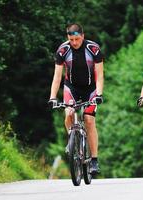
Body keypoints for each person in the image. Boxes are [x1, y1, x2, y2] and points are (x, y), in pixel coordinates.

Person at [48, 23, 104, 174]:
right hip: (71, 88)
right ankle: (72, 141)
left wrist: (99, 94)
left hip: (91, 89)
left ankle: (94, 160)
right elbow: (57, 76)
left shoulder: (93, 49)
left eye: (77, 39)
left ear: (83, 36)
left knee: (89, 120)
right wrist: (53, 97)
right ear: (68, 38)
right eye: (71, 39)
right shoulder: (62, 50)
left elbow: (99, 75)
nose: (74, 42)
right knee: (69, 113)